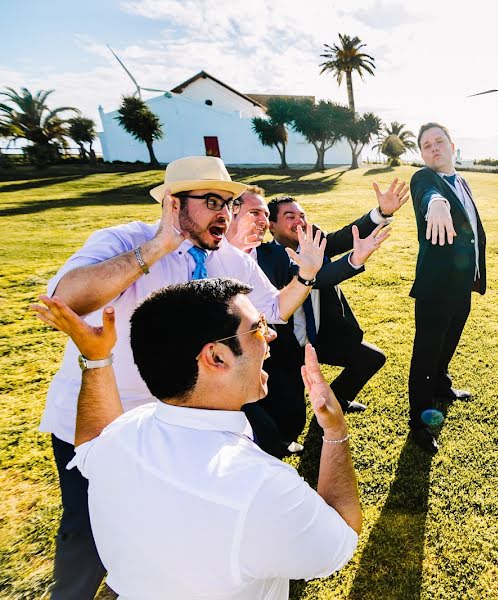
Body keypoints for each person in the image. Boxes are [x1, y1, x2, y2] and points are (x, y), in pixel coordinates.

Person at [39, 156, 324, 599]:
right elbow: (64, 301)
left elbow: (272, 311)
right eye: (212, 201)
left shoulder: (231, 259)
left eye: (229, 203)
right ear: (174, 203)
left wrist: (306, 273)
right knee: (89, 535)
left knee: (157, 534)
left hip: (178, 427)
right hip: (100, 419)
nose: (225, 214)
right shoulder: (124, 240)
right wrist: (159, 247)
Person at [31, 278, 360, 598]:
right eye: (258, 327)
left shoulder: (122, 434)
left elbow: (91, 441)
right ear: (216, 357)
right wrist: (335, 432)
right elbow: (342, 537)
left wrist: (97, 359)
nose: (271, 334)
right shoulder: (261, 486)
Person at [226, 184, 405, 457]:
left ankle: (338, 400)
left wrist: (381, 213)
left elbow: (348, 235)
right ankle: (274, 445)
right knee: (291, 417)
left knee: (371, 357)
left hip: (321, 337)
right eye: (290, 217)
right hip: (284, 350)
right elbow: (314, 280)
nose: (300, 222)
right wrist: (354, 261)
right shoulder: (264, 257)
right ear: (271, 226)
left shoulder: (314, 240)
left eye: (302, 215)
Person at [407, 122, 487, 454]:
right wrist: (436, 203)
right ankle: (420, 422)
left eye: (439, 141)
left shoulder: (463, 181)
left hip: (461, 284)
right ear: (423, 154)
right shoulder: (425, 179)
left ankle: (442, 384)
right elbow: (428, 193)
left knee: (450, 340)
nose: (434, 148)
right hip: (435, 287)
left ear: (453, 145)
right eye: (426, 145)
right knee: (426, 352)